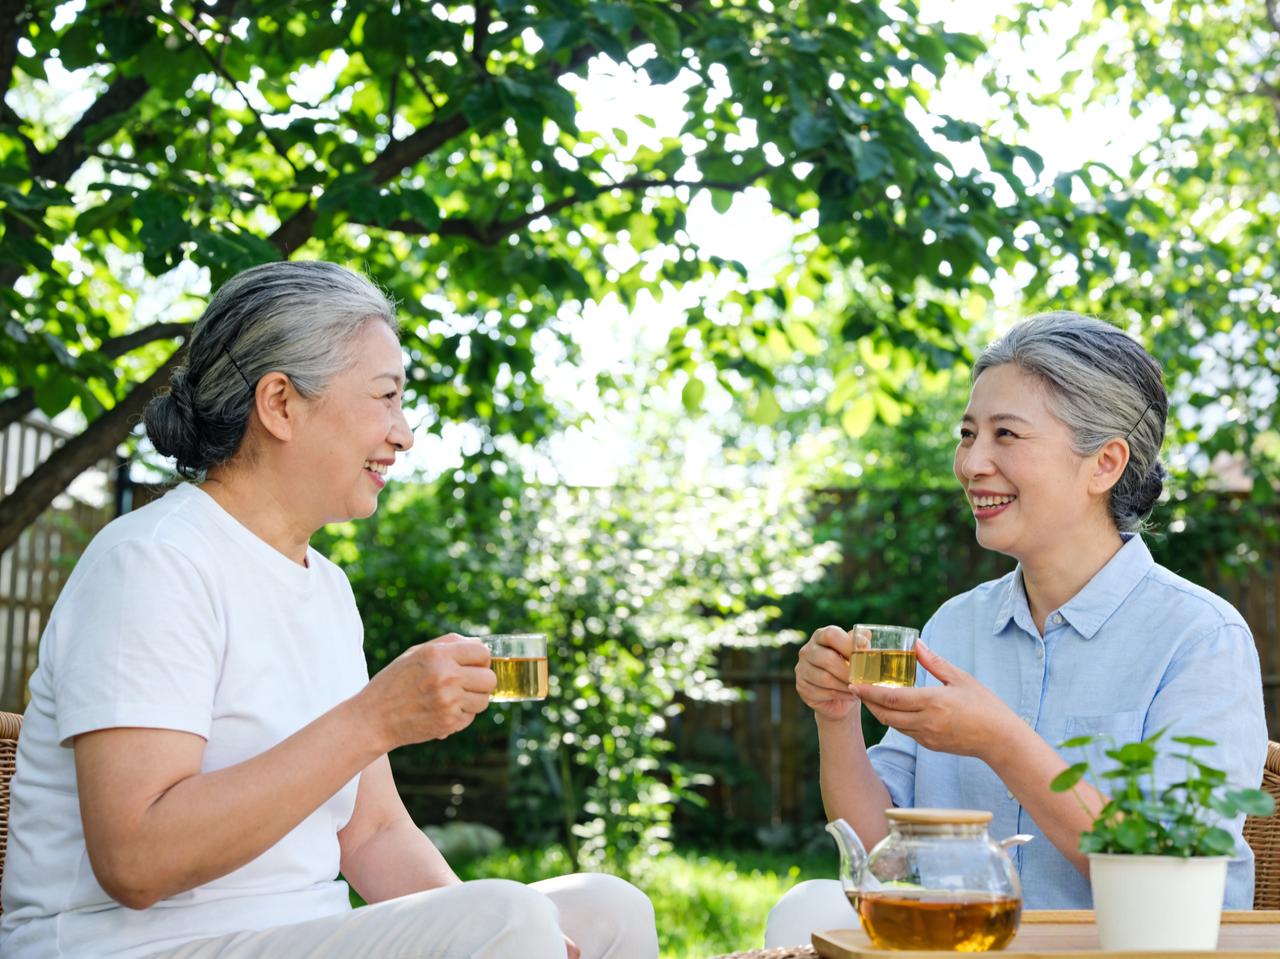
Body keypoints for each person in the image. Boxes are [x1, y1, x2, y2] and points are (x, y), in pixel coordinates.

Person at [0, 261, 659, 959]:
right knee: (507, 915)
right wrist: (373, 718)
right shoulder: (153, 561)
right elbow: (134, 859)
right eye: (385, 397)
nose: (404, 434)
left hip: (293, 939)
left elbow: (371, 832)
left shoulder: (326, 588)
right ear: (281, 403)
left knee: (606, 908)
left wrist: (500, 930)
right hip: (133, 947)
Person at [766, 312, 1269, 946]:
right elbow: (878, 851)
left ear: (1105, 463)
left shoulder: (1200, 637)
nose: (972, 462)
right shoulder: (956, 626)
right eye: (968, 433)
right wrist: (835, 714)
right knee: (806, 905)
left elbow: (1168, 877)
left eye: (1007, 434)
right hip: (960, 944)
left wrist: (1000, 740)